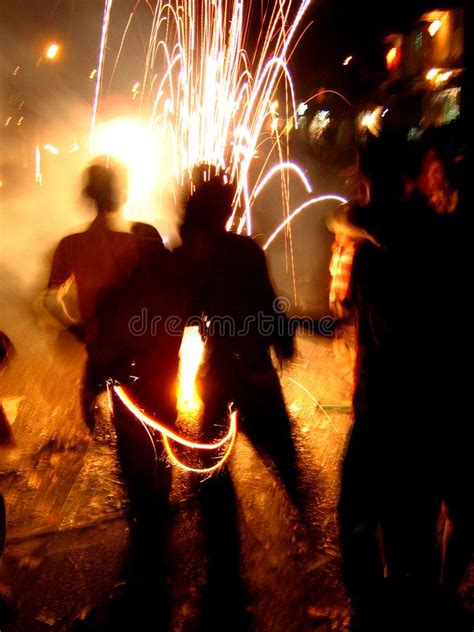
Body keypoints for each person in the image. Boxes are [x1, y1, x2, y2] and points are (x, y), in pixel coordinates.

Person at [337, 133, 472, 632]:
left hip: (385, 409)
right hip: (431, 405)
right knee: (409, 525)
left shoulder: (374, 247)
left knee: (359, 515)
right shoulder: (444, 234)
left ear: (367, 175)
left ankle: (375, 607)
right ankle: (410, 600)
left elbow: (360, 320)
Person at [179, 172, 299, 506]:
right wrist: (282, 339)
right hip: (253, 365)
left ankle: (222, 533)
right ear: (224, 213)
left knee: (213, 462)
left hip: (222, 370)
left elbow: (188, 313)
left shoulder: (197, 257)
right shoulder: (245, 249)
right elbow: (268, 301)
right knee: (281, 456)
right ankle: (301, 519)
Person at [46, 158, 145, 431]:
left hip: (98, 347)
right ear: (119, 195)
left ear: (89, 195)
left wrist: (75, 328)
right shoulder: (137, 242)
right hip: (133, 347)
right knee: (136, 429)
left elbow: (49, 298)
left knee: (92, 424)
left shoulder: (71, 245)